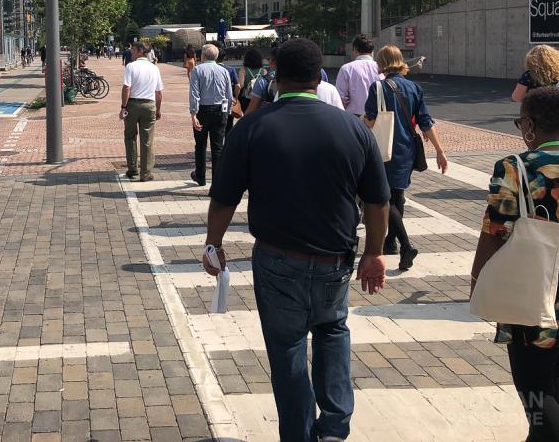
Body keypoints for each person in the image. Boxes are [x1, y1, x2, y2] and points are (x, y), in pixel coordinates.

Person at [204, 39, 390, 442]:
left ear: (275, 73)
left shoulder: (253, 126)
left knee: (286, 347)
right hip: (335, 259)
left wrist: (213, 244)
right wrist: (375, 252)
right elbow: (378, 200)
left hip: (276, 259)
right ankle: (335, 427)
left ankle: (299, 434)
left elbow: (224, 196)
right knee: (333, 331)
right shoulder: (353, 128)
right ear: (319, 74)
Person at [470, 87, 559, 442]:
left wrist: (478, 279)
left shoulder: (515, 168)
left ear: (531, 127)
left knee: (537, 392)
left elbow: (494, 231)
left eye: (521, 122)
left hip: (531, 297)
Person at [364, 45, 448, 268]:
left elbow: (370, 120)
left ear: (382, 63)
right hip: (406, 148)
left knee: (385, 198)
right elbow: (425, 122)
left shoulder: (378, 87)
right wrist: (440, 151)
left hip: (383, 148)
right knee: (397, 196)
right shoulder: (414, 88)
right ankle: (390, 242)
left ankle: (406, 245)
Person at [189, 44, 234, 186]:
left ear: (203, 55)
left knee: (200, 144)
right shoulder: (224, 71)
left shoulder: (197, 70)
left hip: (203, 109)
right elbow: (229, 94)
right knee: (218, 147)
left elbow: (194, 93)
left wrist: (193, 114)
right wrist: (227, 112)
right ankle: (217, 181)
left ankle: (201, 176)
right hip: (220, 110)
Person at [121, 42, 163, 181]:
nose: (131, 52)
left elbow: (126, 87)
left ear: (140, 51)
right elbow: (159, 92)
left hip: (133, 104)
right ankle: (145, 173)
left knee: (130, 136)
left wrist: (123, 107)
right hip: (149, 104)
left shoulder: (130, 66)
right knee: (147, 140)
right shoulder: (154, 68)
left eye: (133, 50)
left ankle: (133, 169)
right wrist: (158, 109)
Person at [335, 35, 381, 117]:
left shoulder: (346, 69)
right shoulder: (381, 68)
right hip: (378, 117)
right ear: (372, 51)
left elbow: (341, 99)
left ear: (355, 49)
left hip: (353, 117)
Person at [245, 47, 278, 114]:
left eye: (269, 59)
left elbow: (250, 111)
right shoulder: (297, 80)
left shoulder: (262, 81)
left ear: (272, 62)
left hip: (267, 119)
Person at [217, 49, 242, 136]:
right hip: (226, 101)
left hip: (213, 101)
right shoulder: (230, 69)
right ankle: (227, 143)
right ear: (224, 57)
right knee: (228, 122)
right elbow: (237, 86)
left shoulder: (211, 68)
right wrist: (236, 97)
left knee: (217, 125)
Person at [238, 46, 266, 115]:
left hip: (246, 98)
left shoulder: (243, 70)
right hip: (260, 98)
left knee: (248, 118)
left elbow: (240, 85)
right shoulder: (264, 71)